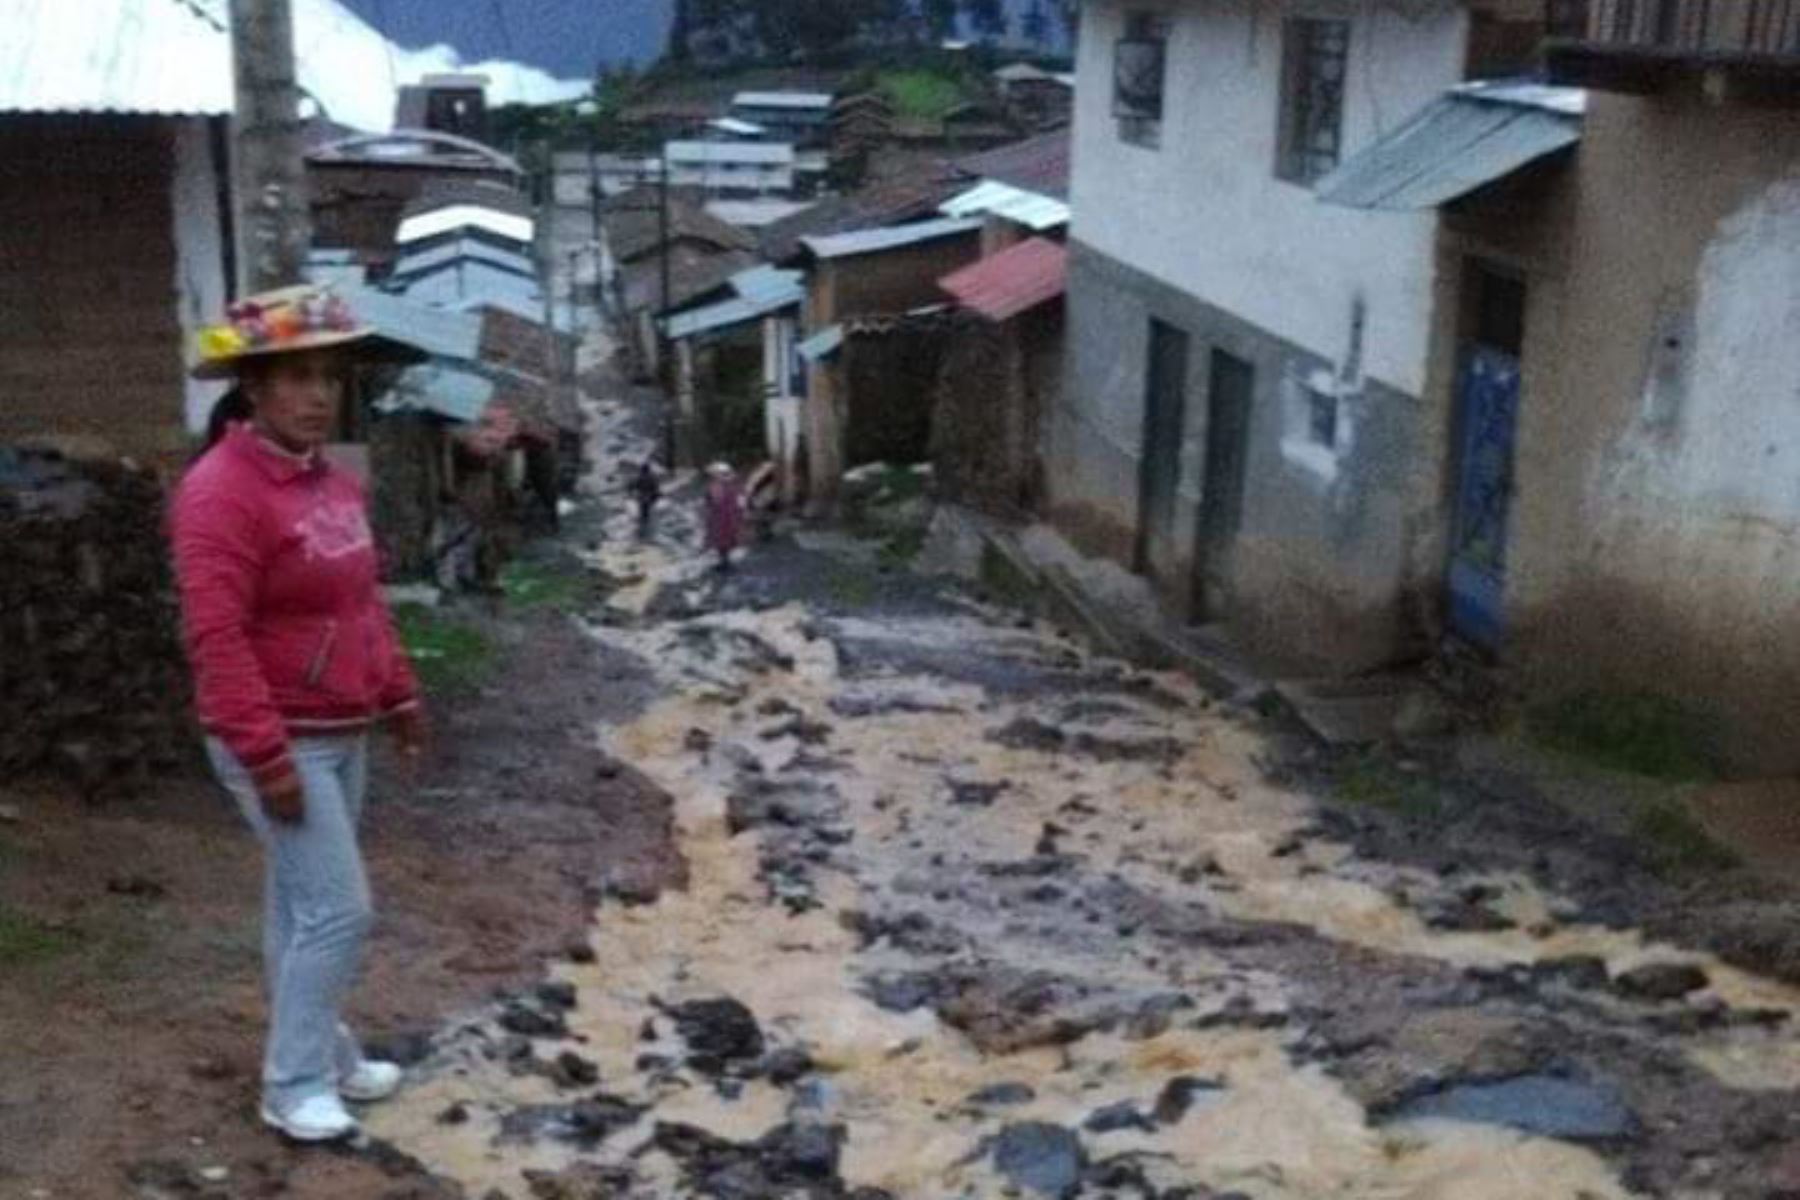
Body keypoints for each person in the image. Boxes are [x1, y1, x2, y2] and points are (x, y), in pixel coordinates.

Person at [169, 285, 427, 1144]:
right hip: (277, 737)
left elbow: (361, 600)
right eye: (296, 377)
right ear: (252, 389)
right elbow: (216, 637)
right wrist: (265, 756)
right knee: (340, 911)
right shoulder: (220, 494)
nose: (319, 394)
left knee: (299, 909)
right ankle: (294, 1084)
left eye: (330, 376)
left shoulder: (330, 480)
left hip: (341, 727)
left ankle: (328, 1050)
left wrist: (396, 689)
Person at [702, 461, 746, 572]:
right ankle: (725, 561)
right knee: (727, 541)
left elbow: (714, 501)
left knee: (721, 541)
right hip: (731, 517)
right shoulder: (735, 486)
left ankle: (724, 563)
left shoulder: (715, 486)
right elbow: (741, 501)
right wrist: (740, 514)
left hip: (720, 519)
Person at [630, 459, 662, 539]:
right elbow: (656, 488)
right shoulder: (651, 478)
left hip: (644, 498)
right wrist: (656, 495)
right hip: (647, 498)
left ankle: (644, 530)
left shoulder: (642, 478)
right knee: (646, 513)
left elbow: (634, 486)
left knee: (644, 513)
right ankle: (645, 530)